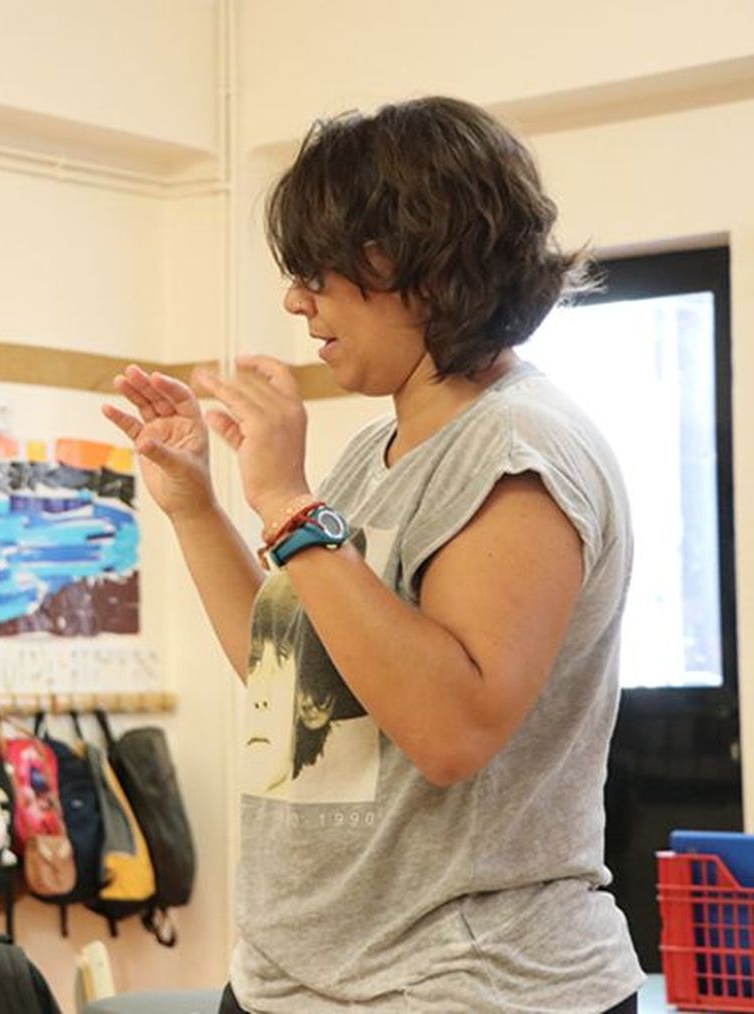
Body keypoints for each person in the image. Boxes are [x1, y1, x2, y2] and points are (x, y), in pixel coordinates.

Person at [104, 96, 642, 1011]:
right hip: (298, 979)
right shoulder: (375, 451)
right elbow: (295, 680)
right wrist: (198, 507)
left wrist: (285, 503)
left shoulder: (520, 452)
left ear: (423, 268)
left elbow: (450, 731)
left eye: (319, 270)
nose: (294, 299)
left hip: (470, 986)